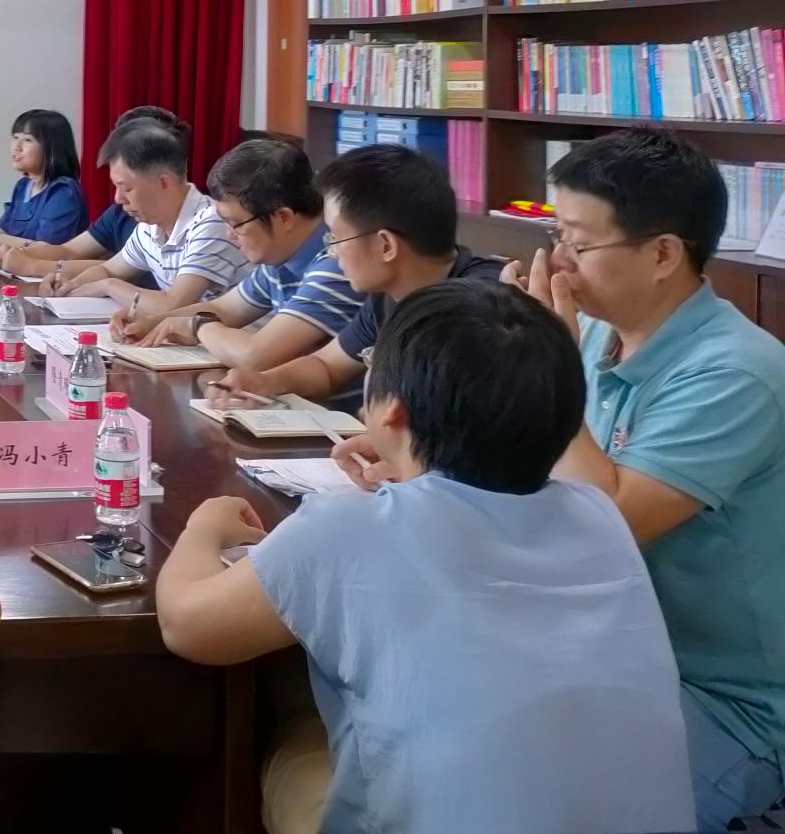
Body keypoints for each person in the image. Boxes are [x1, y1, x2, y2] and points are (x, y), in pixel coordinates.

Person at [157, 278, 696, 834]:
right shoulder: (600, 516)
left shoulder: (346, 528)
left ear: (391, 411)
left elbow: (188, 626)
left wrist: (203, 528)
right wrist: (412, 466)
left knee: (278, 719)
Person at [508, 128, 785, 832]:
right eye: (556, 236)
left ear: (663, 254)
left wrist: (551, 364)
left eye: (577, 243)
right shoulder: (599, 335)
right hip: (606, 650)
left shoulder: (737, 372)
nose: (556, 262)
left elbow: (609, 520)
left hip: (725, 700)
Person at [207, 145, 500, 416]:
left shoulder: (483, 307)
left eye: (335, 237)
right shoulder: (387, 296)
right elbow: (327, 367)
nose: (331, 252)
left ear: (386, 246)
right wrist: (265, 382)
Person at [128, 137, 360, 362]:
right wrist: (153, 322)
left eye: (235, 223)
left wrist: (198, 326)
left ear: (283, 218)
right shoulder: (281, 256)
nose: (229, 234)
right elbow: (223, 309)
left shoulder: (336, 264)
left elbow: (254, 354)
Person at [55, 114, 247, 329]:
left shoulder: (211, 223)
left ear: (163, 182)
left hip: (235, 341)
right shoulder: (149, 227)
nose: (118, 198)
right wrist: (71, 285)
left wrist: (108, 286)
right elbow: (108, 269)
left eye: (127, 188)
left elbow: (172, 305)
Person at [0, 106, 173, 280]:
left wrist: (30, 265)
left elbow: (116, 270)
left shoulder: (64, 191)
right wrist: (19, 253)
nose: (118, 198)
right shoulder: (118, 213)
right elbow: (69, 251)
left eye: (28, 139)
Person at [0, 108, 88, 251]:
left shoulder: (63, 192)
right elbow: (3, 233)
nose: (16, 147)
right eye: (15, 137)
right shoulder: (23, 186)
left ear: (52, 148)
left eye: (28, 140)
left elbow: (46, 250)